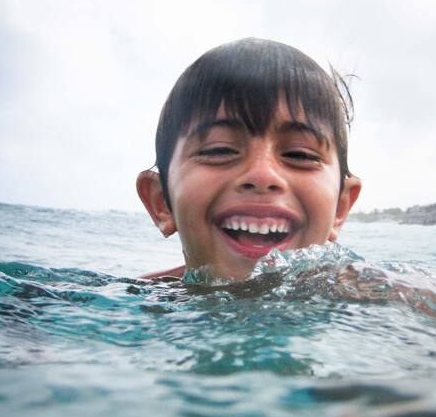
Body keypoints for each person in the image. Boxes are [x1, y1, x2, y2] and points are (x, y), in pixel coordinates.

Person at [136, 38, 361, 280]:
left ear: (341, 207)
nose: (262, 175)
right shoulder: (136, 303)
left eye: (299, 154)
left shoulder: (377, 298)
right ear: (160, 203)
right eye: (219, 150)